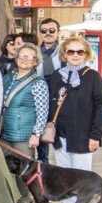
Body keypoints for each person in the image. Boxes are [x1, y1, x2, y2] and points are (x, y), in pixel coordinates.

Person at [48, 36, 102, 203]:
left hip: (82, 135)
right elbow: (51, 103)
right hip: (61, 134)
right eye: (71, 51)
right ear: (64, 53)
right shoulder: (58, 75)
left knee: (82, 176)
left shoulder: (92, 77)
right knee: (65, 174)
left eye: (79, 51)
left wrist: (96, 136)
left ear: (86, 54)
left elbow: (101, 108)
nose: (75, 55)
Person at [0, 42, 48, 157]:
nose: (25, 59)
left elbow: (43, 112)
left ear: (35, 61)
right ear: (16, 58)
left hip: (24, 137)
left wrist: (36, 134)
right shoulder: (6, 78)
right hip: (4, 134)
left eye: (30, 57)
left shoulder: (38, 83)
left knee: (23, 171)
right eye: (22, 55)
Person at [37, 18, 63, 162]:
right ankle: (43, 166)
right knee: (42, 137)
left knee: (61, 139)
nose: (48, 33)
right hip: (40, 100)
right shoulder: (35, 52)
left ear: (58, 32)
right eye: (44, 31)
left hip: (60, 100)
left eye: (52, 30)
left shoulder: (65, 52)